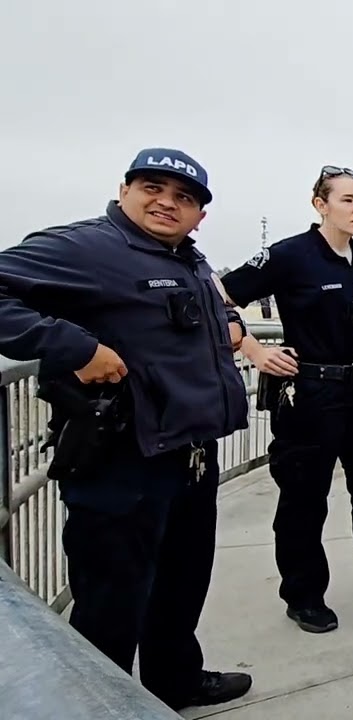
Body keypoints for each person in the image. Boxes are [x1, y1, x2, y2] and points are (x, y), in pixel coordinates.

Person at [0, 148, 253, 710]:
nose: (167, 202)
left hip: (189, 454)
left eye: (184, 197)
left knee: (181, 587)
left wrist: (231, 323)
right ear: (124, 191)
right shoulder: (87, 247)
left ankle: (175, 680)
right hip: (122, 462)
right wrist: (75, 347)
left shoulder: (188, 257)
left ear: (199, 215)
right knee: (112, 606)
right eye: (152, 188)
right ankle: (101, 705)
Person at [220, 166, 353, 635]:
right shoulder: (290, 255)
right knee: (304, 501)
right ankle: (303, 595)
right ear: (320, 204)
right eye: (347, 200)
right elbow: (217, 295)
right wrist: (254, 348)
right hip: (310, 396)